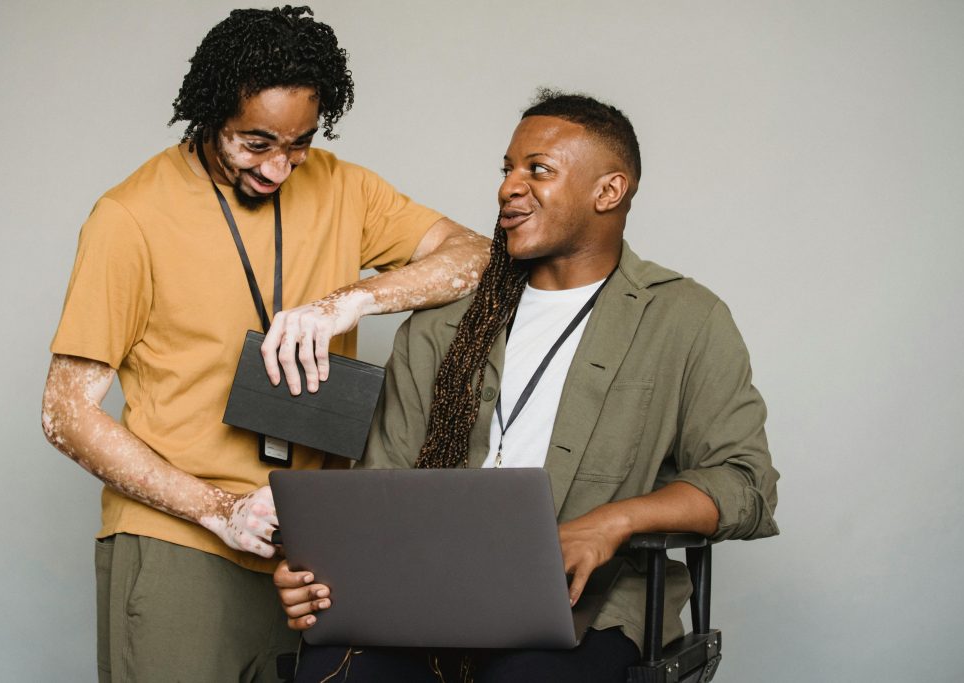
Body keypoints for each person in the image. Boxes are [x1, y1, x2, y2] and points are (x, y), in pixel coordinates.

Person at [40, 6, 489, 682]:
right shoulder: (128, 216)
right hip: (181, 540)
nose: (280, 167)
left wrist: (353, 299)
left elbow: (476, 256)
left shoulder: (344, 186)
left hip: (314, 546)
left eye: (298, 143)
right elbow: (65, 413)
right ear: (209, 114)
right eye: (255, 144)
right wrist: (218, 510)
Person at [274, 90, 780, 682]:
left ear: (608, 191)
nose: (509, 187)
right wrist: (324, 575)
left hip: (585, 611)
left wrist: (611, 523)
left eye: (538, 169)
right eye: (508, 169)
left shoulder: (685, 319)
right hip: (429, 595)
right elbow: (382, 489)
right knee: (332, 671)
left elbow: (744, 483)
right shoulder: (444, 323)